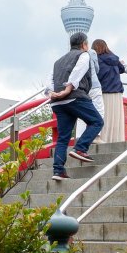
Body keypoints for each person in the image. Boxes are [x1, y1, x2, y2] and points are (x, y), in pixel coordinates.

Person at [47, 31, 104, 181]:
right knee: (97, 121)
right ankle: (80, 148)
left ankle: (58, 170)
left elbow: (50, 80)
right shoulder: (83, 55)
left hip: (58, 102)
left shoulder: (57, 61)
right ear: (84, 44)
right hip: (74, 97)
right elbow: (78, 71)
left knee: (63, 138)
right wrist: (68, 88)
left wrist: (52, 93)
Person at [92, 39, 126, 143]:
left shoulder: (96, 59)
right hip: (117, 92)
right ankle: (117, 139)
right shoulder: (115, 58)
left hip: (104, 91)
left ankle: (103, 138)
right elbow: (122, 69)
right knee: (115, 118)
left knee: (103, 116)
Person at [75, 46, 105, 144]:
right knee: (98, 109)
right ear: (84, 43)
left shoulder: (73, 55)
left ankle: (79, 137)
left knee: (81, 112)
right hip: (94, 85)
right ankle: (96, 136)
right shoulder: (91, 52)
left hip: (80, 87)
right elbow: (96, 69)